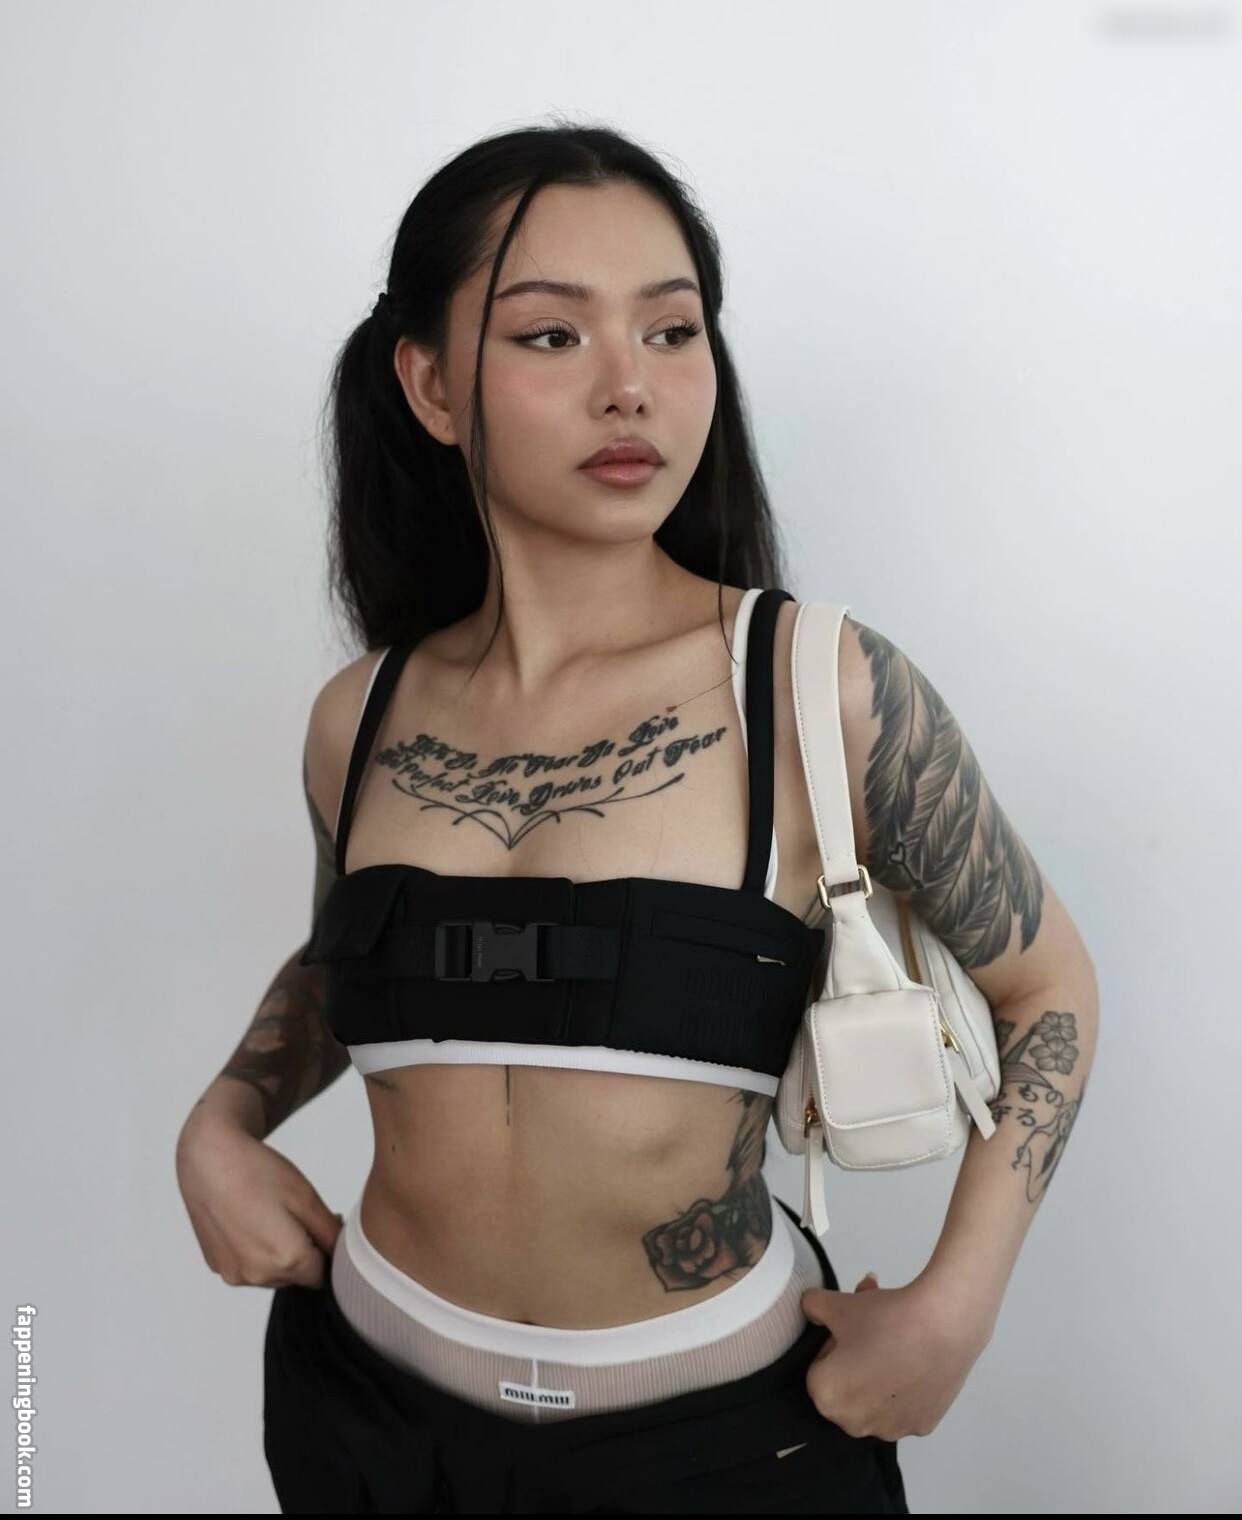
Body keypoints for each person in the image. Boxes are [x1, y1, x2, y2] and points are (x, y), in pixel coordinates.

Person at [174, 118, 1099, 1515]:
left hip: (721, 1450)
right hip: (362, 1420)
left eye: (672, 332)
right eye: (551, 336)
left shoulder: (816, 689)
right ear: (428, 384)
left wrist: (953, 1308)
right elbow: (344, 960)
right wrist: (220, 1124)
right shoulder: (358, 718)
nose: (630, 389)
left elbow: (1047, 987)